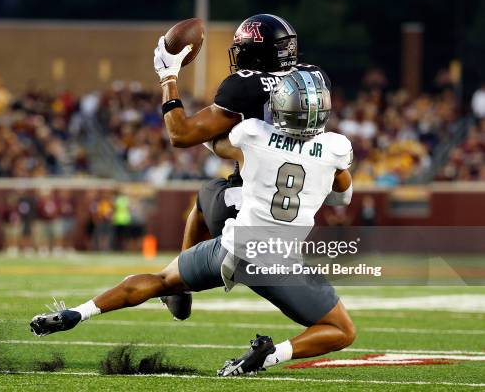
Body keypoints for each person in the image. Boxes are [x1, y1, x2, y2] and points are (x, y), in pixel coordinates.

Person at [30, 71, 356, 377]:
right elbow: (341, 195)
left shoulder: (253, 135)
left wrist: (198, 122)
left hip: (231, 248)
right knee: (341, 330)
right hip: (278, 259)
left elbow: (209, 140)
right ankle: (269, 355)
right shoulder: (336, 150)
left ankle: (78, 312)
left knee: (160, 280)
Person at [154, 14, 332, 320]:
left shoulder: (245, 85)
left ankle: (178, 287)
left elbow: (180, 134)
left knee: (205, 195)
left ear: (255, 52)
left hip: (249, 200)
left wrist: (168, 77)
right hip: (300, 203)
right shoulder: (314, 77)